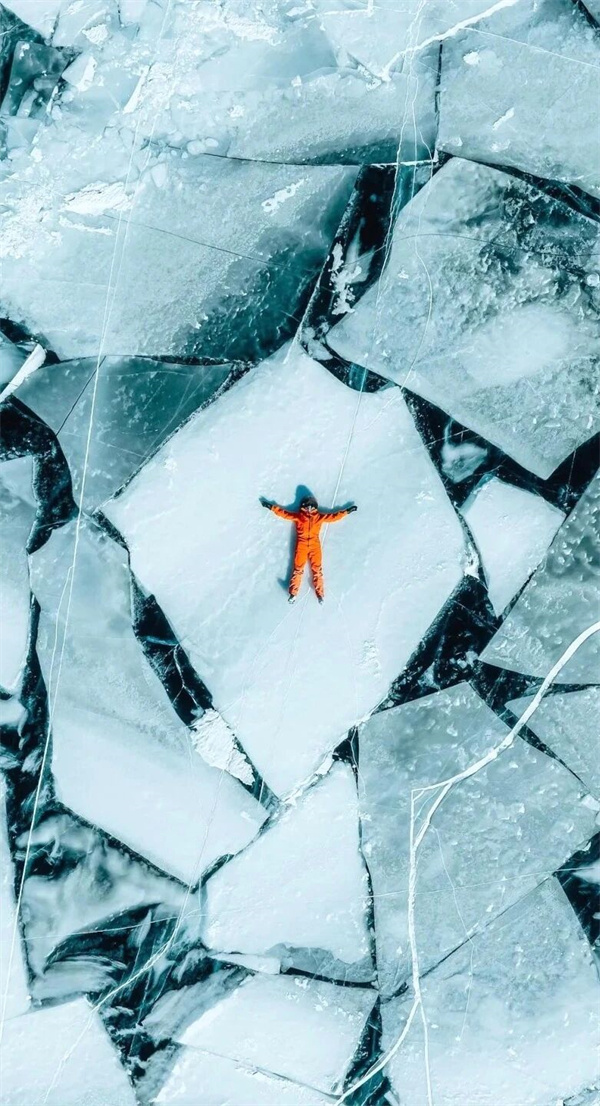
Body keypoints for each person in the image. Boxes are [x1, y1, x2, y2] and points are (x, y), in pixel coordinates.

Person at [261, 494, 357, 603]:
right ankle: (293, 593)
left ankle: (320, 594)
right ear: (303, 507)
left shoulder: (319, 517)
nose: (309, 508)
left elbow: (333, 517)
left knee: (317, 570)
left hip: (315, 546)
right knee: (298, 569)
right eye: (307, 506)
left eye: (312, 506)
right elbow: (284, 514)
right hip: (301, 545)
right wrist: (271, 507)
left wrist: (347, 511)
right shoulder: (299, 516)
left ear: (315, 507)